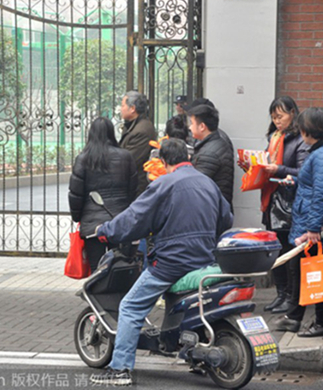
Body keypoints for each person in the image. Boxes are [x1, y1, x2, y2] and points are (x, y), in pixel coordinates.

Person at [90, 138, 233, 386]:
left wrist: (107, 230)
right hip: (204, 258)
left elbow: (135, 218)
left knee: (131, 307)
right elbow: (226, 219)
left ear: (163, 161)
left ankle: (120, 369)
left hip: (171, 263)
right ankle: (192, 355)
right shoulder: (207, 183)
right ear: (189, 158)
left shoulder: (164, 184)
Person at [274, 107, 323, 337]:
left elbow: (322, 192)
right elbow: (313, 185)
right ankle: (295, 317)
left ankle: (321, 321)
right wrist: (295, 181)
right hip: (310, 220)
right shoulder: (322, 152)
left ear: (307, 131)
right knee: (303, 269)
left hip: (317, 225)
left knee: (316, 273)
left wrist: (314, 228)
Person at [247, 96, 310, 315]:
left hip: (289, 204)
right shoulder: (275, 137)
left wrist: (279, 169)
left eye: (280, 116)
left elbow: (303, 173)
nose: (277, 121)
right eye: (273, 117)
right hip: (272, 200)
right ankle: (281, 294)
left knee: (288, 251)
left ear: (293, 113)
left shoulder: (300, 139)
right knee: (275, 251)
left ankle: (291, 297)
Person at [68, 117, 137, 271]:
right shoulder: (125, 157)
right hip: (119, 221)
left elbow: (75, 194)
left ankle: (96, 294)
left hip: (92, 225)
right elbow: (133, 191)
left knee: (96, 267)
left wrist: (78, 217)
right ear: (111, 133)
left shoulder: (83, 158)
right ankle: (116, 294)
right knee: (119, 265)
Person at [188, 104, 235, 207]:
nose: (189, 127)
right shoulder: (215, 143)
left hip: (211, 210)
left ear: (202, 127)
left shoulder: (209, 153)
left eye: (192, 123)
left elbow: (194, 185)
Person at [119, 91, 157, 197]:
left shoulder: (142, 130)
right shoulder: (133, 125)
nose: (120, 109)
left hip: (137, 186)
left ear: (132, 109)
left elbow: (129, 160)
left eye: (123, 105)